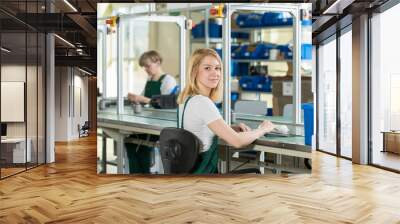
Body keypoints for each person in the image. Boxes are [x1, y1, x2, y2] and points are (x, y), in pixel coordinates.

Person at [177, 48, 275, 174]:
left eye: (217, 68)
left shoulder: (187, 99)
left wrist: (230, 128)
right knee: (257, 174)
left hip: (191, 174)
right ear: (195, 72)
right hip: (204, 177)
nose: (215, 73)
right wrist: (262, 129)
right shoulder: (203, 102)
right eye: (207, 68)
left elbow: (201, 129)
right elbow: (237, 141)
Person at [125, 50, 176, 174]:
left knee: (138, 145)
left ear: (157, 62)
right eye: (144, 67)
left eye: (148, 66)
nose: (146, 69)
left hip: (162, 123)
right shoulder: (150, 79)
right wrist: (135, 98)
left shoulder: (168, 80)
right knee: (130, 142)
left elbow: (167, 103)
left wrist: (142, 99)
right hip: (149, 121)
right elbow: (144, 98)